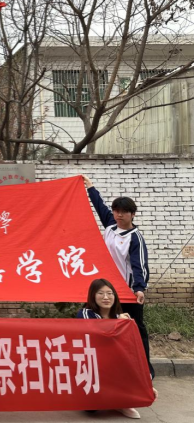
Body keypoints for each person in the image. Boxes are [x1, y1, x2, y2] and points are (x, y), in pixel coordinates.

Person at [82, 176, 154, 378]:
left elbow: (140, 265)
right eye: (116, 211)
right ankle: (106, 368)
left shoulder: (135, 238)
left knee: (135, 329)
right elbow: (100, 206)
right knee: (100, 325)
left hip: (126, 293)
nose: (119, 215)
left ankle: (145, 371)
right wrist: (90, 187)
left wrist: (139, 289)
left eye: (123, 212)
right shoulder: (110, 225)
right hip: (105, 290)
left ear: (132, 214)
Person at [77, 278, 158, 419]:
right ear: (93, 296)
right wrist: (116, 323)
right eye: (100, 293)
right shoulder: (85, 313)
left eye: (110, 293)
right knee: (91, 408)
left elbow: (131, 350)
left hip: (115, 365)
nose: (106, 297)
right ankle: (111, 398)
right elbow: (96, 333)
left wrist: (145, 384)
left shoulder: (122, 318)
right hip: (92, 365)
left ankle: (122, 402)